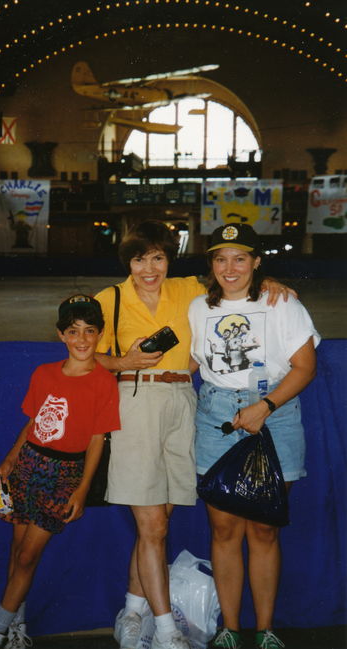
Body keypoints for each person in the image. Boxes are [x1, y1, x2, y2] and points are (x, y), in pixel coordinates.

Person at [94, 220, 294, 649]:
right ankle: (166, 631)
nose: (149, 268)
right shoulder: (108, 299)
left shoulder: (187, 290)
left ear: (169, 260)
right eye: (138, 259)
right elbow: (86, 357)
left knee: (159, 522)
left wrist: (271, 280)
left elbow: (234, 275)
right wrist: (122, 361)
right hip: (135, 402)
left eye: (158, 258)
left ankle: (132, 608)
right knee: (152, 526)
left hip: (184, 403)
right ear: (126, 262)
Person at [188, 223, 320, 649]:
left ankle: (265, 630)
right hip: (217, 416)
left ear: (257, 262)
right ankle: (230, 628)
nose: (230, 268)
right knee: (224, 529)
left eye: (240, 258)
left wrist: (265, 407)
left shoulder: (282, 303)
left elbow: (305, 367)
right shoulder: (196, 308)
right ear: (210, 264)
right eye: (220, 258)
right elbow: (189, 365)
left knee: (263, 530)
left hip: (273, 412)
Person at [0, 295, 120, 649]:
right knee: (16, 552)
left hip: (64, 474)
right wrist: (9, 460)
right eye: (73, 331)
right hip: (28, 466)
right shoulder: (44, 374)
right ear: (60, 335)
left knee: (27, 556)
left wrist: (82, 490)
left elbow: (98, 441)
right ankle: (18, 629)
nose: (81, 339)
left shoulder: (103, 382)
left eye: (89, 331)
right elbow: (32, 422)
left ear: (100, 334)